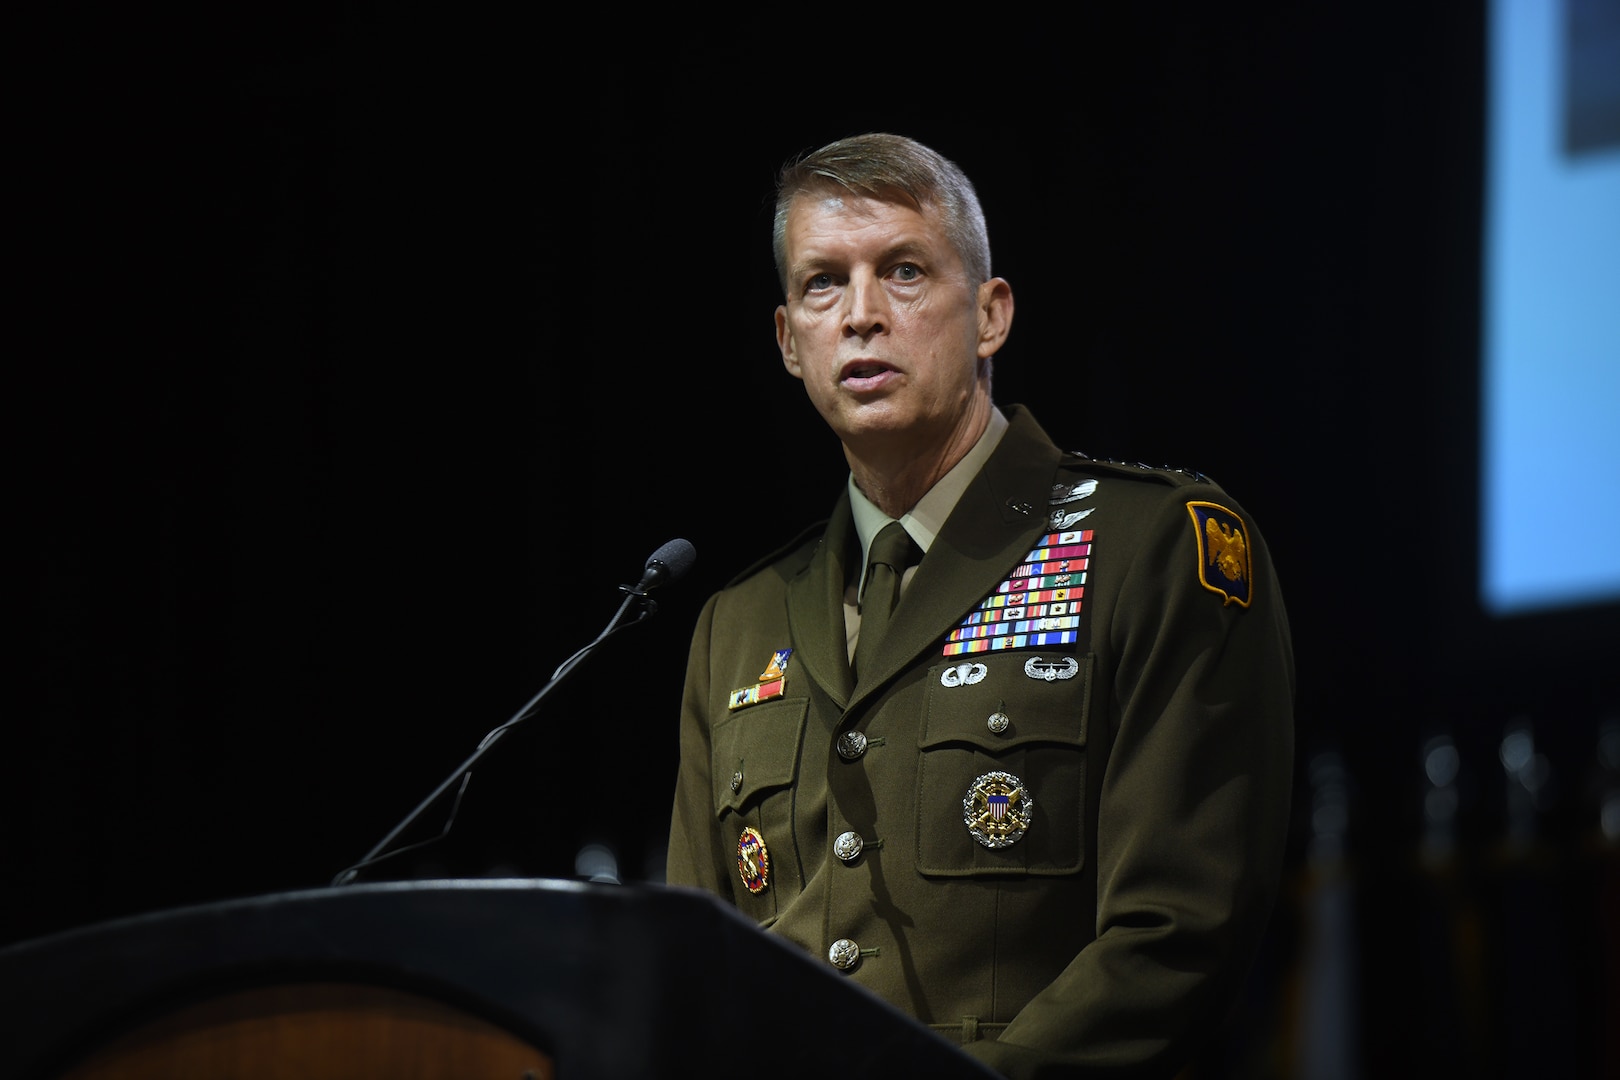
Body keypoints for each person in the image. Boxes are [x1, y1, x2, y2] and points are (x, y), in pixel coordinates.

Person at [664, 132, 1295, 1079]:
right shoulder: (738, 622)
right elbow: (693, 972)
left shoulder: (1151, 547)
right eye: (824, 284)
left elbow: (1177, 935)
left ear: (991, 315)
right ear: (790, 341)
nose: (863, 316)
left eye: (905, 271)